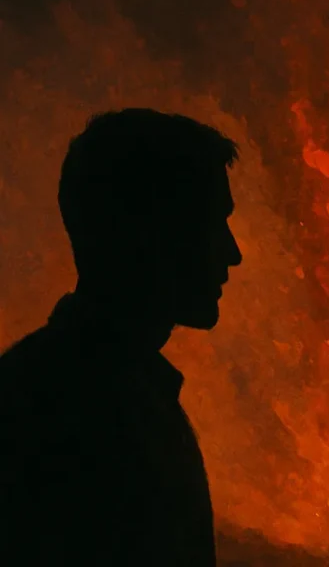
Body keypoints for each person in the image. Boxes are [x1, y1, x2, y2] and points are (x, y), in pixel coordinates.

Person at [0, 109, 243, 566]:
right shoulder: (96, 418)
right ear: (150, 234)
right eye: (212, 222)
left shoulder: (42, 389)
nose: (233, 253)